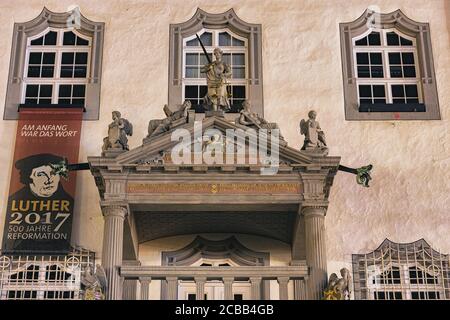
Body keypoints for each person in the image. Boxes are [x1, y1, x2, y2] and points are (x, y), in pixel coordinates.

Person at [2, 153, 73, 253]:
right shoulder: (13, 201)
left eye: (53, 174)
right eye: (41, 175)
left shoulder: (70, 202)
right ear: (28, 177)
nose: (49, 181)